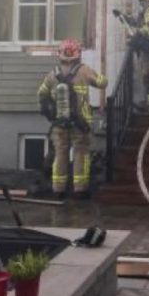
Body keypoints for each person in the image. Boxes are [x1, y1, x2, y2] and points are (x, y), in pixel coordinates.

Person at [37, 38, 107, 199]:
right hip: (80, 123)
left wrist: (50, 113)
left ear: (59, 53)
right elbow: (102, 83)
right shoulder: (84, 71)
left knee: (60, 154)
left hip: (59, 123)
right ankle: (80, 190)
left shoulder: (52, 74)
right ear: (78, 54)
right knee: (80, 154)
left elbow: (41, 93)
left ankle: (58, 189)